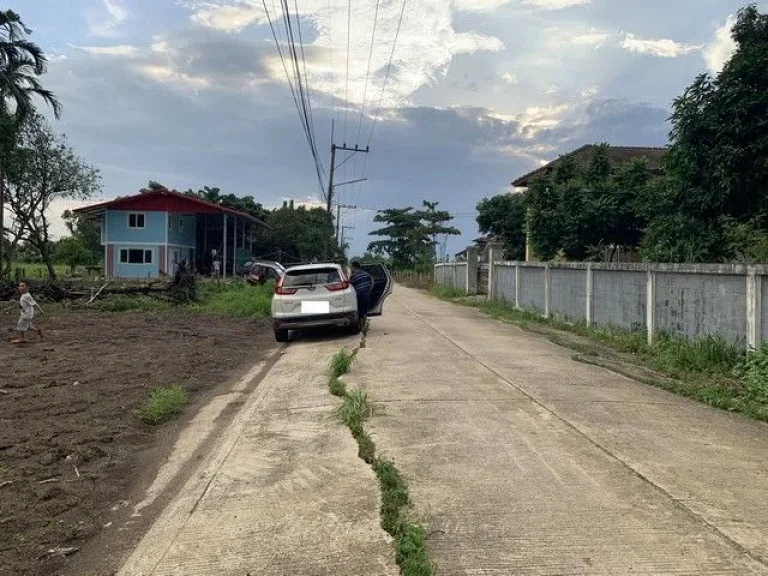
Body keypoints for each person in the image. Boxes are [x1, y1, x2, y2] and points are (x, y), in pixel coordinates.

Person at [349, 261, 374, 326]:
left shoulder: (353, 276)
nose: (351, 268)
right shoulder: (366, 274)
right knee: (365, 312)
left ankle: (361, 326)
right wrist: (369, 289)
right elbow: (372, 281)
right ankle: (363, 326)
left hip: (359, 296)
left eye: (351, 267)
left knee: (360, 312)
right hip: (367, 295)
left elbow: (351, 287)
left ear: (354, 267)